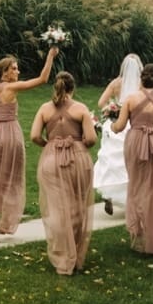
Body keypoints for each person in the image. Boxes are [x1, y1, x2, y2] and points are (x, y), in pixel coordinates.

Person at [0, 45, 58, 244]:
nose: (18, 72)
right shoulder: (10, 87)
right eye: (15, 69)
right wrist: (51, 57)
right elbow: (42, 80)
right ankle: (5, 222)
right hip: (10, 135)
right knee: (10, 178)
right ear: (5, 72)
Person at [30, 71, 97, 274]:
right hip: (77, 159)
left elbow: (34, 136)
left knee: (57, 209)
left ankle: (62, 257)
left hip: (51, 159)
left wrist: (49, 145)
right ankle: (74, 255)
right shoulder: (80, 109)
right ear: (72, 88)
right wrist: (81, 143)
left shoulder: (44, 109)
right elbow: (92, 139)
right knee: (77, 207)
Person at [110, 63, 153, 254]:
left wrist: (111, 125)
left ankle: (140, 233)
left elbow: (120, 126)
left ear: (142, 79)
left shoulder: (131, 99)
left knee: (138, 185)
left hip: (136, 142)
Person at [93, 53, 143, 214]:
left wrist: (112, 108)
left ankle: (108, 195)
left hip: (115, 124)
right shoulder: (141, 84)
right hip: (132, 124)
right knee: (130, 163)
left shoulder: (116, 83)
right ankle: (132, 198)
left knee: (111, 161)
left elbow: (101, 103)